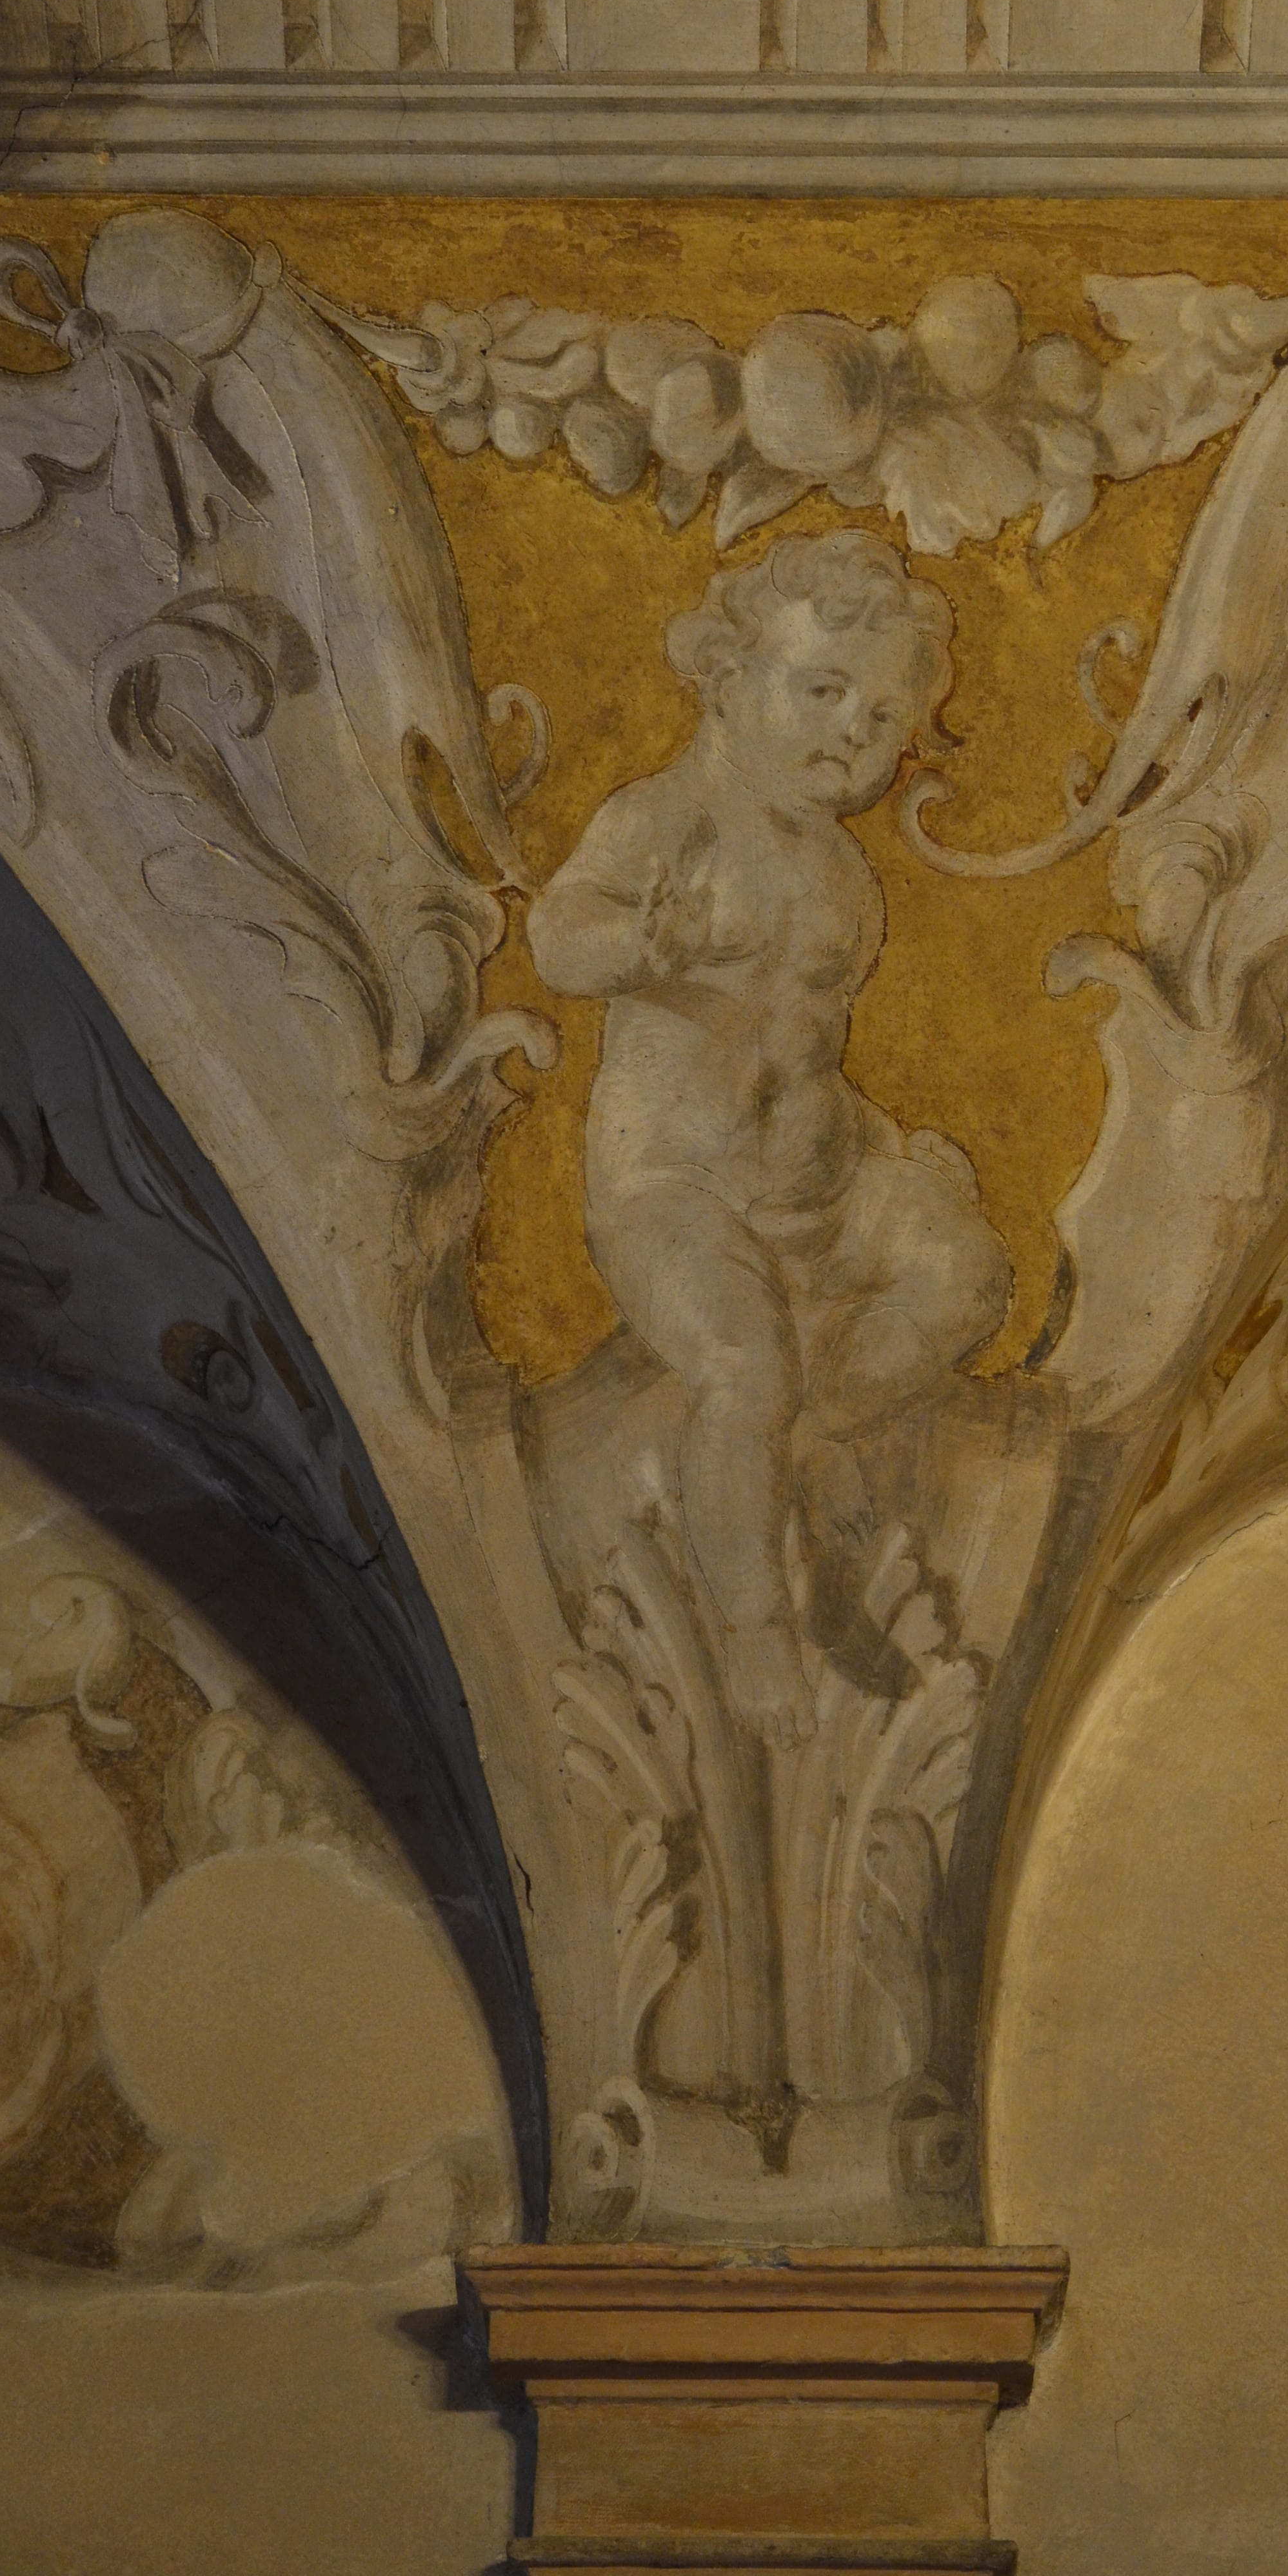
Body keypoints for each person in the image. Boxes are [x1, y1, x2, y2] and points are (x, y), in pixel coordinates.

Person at [527, 530, 1012, 1750]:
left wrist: (893, 1161)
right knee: (742, 1364)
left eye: (884, 715)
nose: (854, 732)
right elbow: (556, 937)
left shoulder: (844, 875)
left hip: (818, 1181)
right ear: (729, 680)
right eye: (825, 690)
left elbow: (809, 1056)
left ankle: (812, 1441)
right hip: (675, 1186)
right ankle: (753, 1624)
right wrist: (642, 946)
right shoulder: (664, 819)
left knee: (966, 1275)